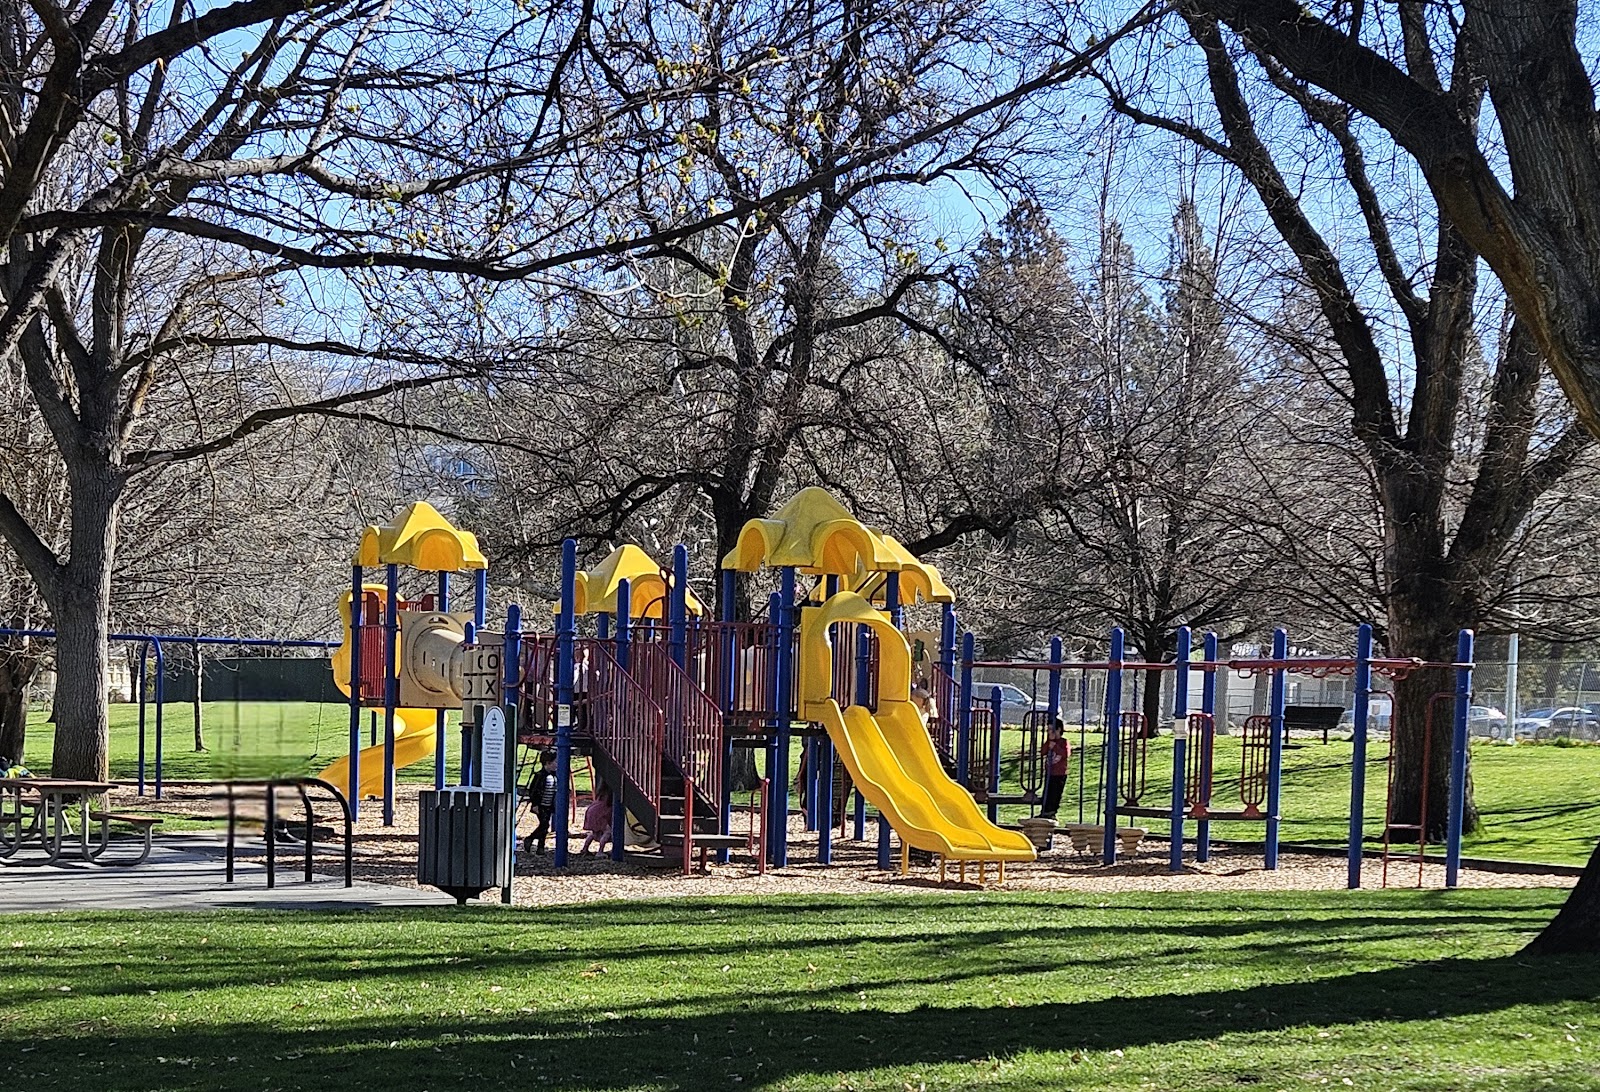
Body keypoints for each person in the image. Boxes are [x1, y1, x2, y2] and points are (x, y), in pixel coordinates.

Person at [523, 749, 558, 855]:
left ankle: (540, 847)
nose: (557, 764)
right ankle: (531, 839)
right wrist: (535, 804)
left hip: (549, 805)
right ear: (548, 763)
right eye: (555, 762)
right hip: (541, 805)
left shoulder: (554, 775)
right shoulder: (540, 776)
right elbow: (533, 791)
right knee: (544, 825)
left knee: (544, 826)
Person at [1040, 718, 1072, 820]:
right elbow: (1043, 751)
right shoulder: (1049, 741)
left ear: (1058, 730)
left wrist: (1055, 746)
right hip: (1050, 772)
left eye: (1051, 729)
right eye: (1048, 730)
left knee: (1055, 793)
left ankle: (1052, 812)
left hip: (1059, 773)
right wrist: (1049, 742)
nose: (1049, 732)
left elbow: (1065, 754)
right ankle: (1044, 811)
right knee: (1047, 792)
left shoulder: (1063, 742)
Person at [580, 781, 614, 855]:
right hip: (601, 813)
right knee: (608, 831)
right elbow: (609, 806)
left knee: (594, 832)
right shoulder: (611, 794)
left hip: (592, 810)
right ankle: (600, 851)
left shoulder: (601, 791)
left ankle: (585, 848)